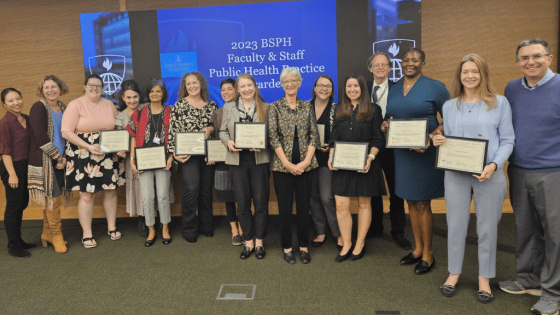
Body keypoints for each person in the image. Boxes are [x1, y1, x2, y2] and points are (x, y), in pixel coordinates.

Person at [432, 54, 514, 304]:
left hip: (489, 175)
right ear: (459, 76)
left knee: (487, 228)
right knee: (455, 226)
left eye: (475, 71)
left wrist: (493, 165)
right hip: (456, 175)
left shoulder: (499, 103)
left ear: (483, 74)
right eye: (465, 71)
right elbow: (446, 135)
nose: (470, 76)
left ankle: (484, 279)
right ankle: (454, 273)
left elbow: (508, 140)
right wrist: (438, 138)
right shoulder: (449, 106)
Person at [498, 38, 560, 315]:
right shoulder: (512, 88)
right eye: (524, 58)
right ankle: (528, 279)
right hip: (519, 170)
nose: (531, 62)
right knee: (525, 229)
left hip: (553, 173)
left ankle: (553, 293)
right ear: (517, 62)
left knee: (555, 235)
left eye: (537, 56)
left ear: (549, 57)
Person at [384, 48, 450, 274]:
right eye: (406, 60)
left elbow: (450, 118)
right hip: (402, 154)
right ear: (400, 63)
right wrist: (385, 125)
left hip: (424, 154)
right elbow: (390, 117)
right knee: (409, 202)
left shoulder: (435, 87)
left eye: (415, 60)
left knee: (422, 203)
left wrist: (430, 138)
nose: (409, 63)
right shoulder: (393, 89)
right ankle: (417, 248)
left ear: (423, 62)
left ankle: (429, 254)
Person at [61, 74, 126, 248]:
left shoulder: (109, 105)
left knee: (111, 191)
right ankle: (87, 233)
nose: (95, 88)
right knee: (86, 195)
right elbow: (66, 132)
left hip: (107, 155)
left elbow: (118, 127)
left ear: (103, 88)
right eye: (91, 85)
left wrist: (121, 146)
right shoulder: (75, 105)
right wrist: (88, 146)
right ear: (85, 86)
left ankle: (111, 227)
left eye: (98, 86)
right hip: (83, 154)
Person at [328, 74, 385, 262]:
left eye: (356, 86)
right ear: (344, 89)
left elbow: (378, 138)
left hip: (366, 165)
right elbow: (334, 137)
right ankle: (346, 243)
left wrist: (370, 158)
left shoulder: (374, 110)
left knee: (363, 204)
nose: (352, 89)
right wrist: (331, 156)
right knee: (341, 205)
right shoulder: (338, 109)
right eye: (348, 86)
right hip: (342, 165)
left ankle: (359, 243)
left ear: (362, 88)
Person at [268, 67, 320, 264]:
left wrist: (306, 162)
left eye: (293, 80)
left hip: (307, 166)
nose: (289, 84)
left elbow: (314, 135)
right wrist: (288, 164)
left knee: (304, 207)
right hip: (283, 167)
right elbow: (273, 138)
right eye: (286, 81)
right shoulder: (275, 107)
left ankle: (304, 246)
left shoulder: (307, 106)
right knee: (285, 208)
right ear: (282, 85)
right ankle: (287, 247)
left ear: (299, 83)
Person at [220, 74, 270, 259]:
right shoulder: (228, 107)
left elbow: (272, 133)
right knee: (242, 203)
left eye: (250, 85)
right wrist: (228, 142)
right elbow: (222, 131)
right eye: (243, 86)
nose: (247, 89)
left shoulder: (266, 107)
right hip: (237, 161)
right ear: (237, 90)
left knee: (260, 202)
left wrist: (263, 142)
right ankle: (248, 241)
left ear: (255, 87)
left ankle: (259, 242)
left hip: (259, 160)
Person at [367, 53, 411, 250]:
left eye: (384, 64)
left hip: (393, 147)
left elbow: (408, 113)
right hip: (370, 147)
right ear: (370, 68)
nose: (380, 68)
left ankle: (398, 231)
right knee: (373, 189)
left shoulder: (399, 88)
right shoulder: (364, 89)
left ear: (390, 68)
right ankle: (375, 226)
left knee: (396, 190)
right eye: (376, 65)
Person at [168, 72, 218, 243]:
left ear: (201, 84)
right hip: (187, 155)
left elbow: (218, 128)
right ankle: (189, 228)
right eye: (188, 84)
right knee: (191, 190)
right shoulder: (180, 105)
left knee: (205, 190)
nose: (192, 86)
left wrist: (210, 129)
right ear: (184, 87)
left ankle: (206, 226)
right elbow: (172, 131)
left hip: (206, 155)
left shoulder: (211, 105)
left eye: (194, 83)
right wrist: (174, 153)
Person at [128, 80, 174, 247]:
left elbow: (175, 136)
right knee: (147, 198)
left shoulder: (170, 111)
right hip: (144, 161)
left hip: (164, 160)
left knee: (163, 196)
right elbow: (133, 136)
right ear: (148, 94)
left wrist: (171, 157)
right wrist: (132, 160)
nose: (155, 94)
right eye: (152, 91)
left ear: (163, 94)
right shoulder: (139, 113)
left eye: (158, 91)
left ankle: (165, 228)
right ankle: (151, 229)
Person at [28, 75, 70, 253]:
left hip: (63, 158)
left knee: (53, 198)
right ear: (42, 90)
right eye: (46, 87)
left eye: (54, 86)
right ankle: (56, 234)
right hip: (46, 160)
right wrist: (57, 157)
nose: (50, 90)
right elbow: (40, 136)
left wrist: (66, 156)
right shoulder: (38, 107)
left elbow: (69, 133)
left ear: (60, 89)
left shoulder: (64, 107)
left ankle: (47, 233)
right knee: (53, 199)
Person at [308, 74, 342, 249]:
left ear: (332, 90)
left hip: (327, 159)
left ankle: (338, 233)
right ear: (314, 88)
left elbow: (342, 133)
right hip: (308, 160)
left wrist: (331, 146)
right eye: (320, 85)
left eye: (328, 86)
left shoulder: (337, 109)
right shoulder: (305, 107)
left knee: (326, 197)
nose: (324, 89)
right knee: (313, 197)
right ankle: (320, 232)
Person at [0, 88, 33, 257]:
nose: (16, 103)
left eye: (18, 98)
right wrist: (12, 174)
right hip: (12, 166)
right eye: (11, 101)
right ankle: (13, 245)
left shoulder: (26, 119)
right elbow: (5, 151)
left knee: (21, 203)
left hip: (25, 165)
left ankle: (18, 240)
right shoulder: (5, 123)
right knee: (13, 206)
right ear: (4, 104)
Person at [115, 80, 147, 237]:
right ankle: (142, 218)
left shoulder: (147, 109)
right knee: (138, 187)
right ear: (123, 98)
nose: (132, 100)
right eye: (128, 98)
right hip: (131, 158)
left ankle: (159, 218)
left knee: (154, 186)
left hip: (150, 155)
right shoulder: (120, 116)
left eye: (135, 97)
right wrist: (121, 150)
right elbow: (119, 139)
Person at [214, 78, 243, 246]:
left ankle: (243, 226)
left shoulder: (245, 108)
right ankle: (234, 229)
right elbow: (216, 138)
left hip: (242, 158)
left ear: (236, 91)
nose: (225, 92)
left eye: (229, 89)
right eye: (223, 89)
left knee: (242, 195)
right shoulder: (217, 113)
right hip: (223, 159)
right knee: (228, 196)